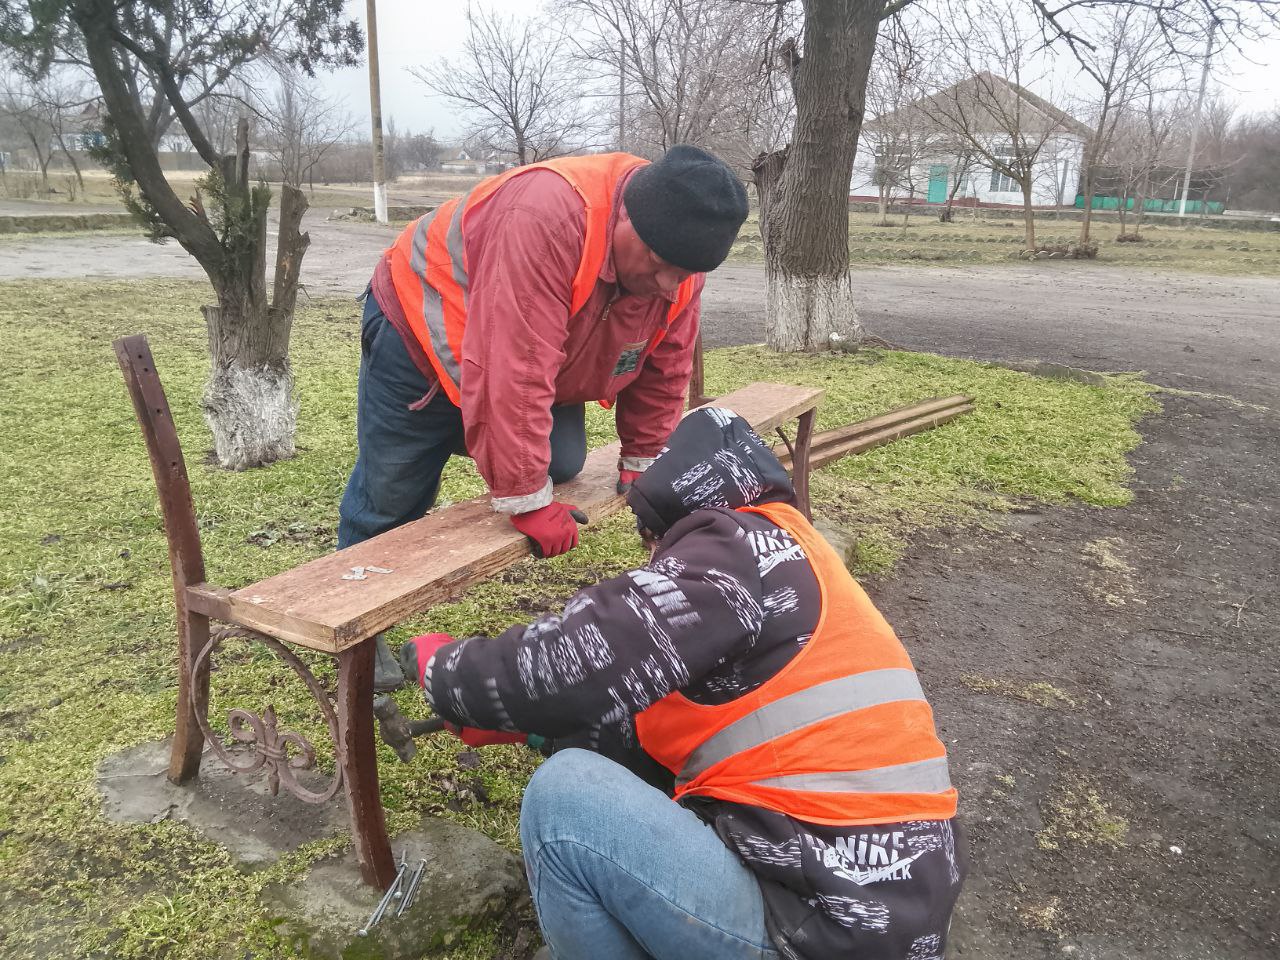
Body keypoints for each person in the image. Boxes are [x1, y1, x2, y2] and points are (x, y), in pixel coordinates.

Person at [401, 407, 967, 960]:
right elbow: (675, 736)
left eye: (650, 543)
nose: (652, 560)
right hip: (884, 907)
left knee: (561, 799)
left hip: (819, 923)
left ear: (676, 517)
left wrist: (447, 673)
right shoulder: (801, 558)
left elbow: (586, 654)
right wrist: (530, 732)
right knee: (593, 773)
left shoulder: (729, 549)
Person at [340, 145, 749, 690]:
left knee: (561, 459)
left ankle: (484, 439)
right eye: (657, 265)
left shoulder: (678, 265)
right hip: (420, 331)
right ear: (624, 216)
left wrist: (645, 464)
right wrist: (527, 498)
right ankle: (358, 634)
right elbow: (514, 365)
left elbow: (664, 365)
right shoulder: (547, 216)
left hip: (523, 350)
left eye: (684, 274)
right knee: (394, 491)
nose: (667, 286)